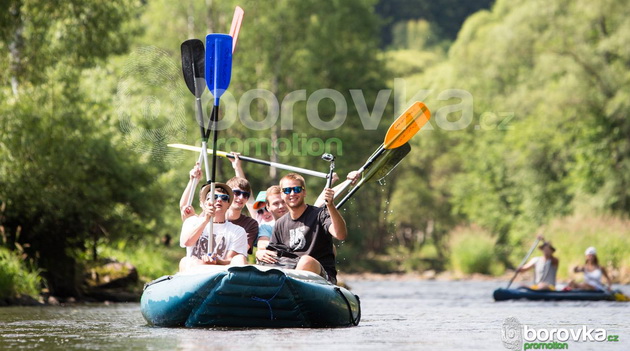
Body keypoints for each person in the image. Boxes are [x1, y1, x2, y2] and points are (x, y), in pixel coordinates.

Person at [257, 172, 348, 284]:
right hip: (291, 274)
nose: (292, 193)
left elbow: (341, 234)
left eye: (296, 189)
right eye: (287, 190)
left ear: (304, 192)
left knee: (306, 261)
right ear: (282, 194)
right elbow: (274, 255)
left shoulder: (321, 214)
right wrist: (260, 253)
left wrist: (330, 206)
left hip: (321, 277)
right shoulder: (280, 223)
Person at [179, 182, 248, 272]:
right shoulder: (192, 221)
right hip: (196, 271)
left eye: (224, 198)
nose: (219, 200)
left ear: (228, 204)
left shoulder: (238, 231)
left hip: (221, 273)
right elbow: (187, 242)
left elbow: (231, 259)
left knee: (240, 258)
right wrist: (206, 219)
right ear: (205, 203)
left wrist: (217, 261)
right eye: (214, 197)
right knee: (186, 261)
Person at [225, 176, 259, 254]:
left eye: (245, 195)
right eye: (237, 193)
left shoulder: (251, 224)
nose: (241, 197)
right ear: (227, 193)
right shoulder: (213, 217)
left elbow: (241, 250)